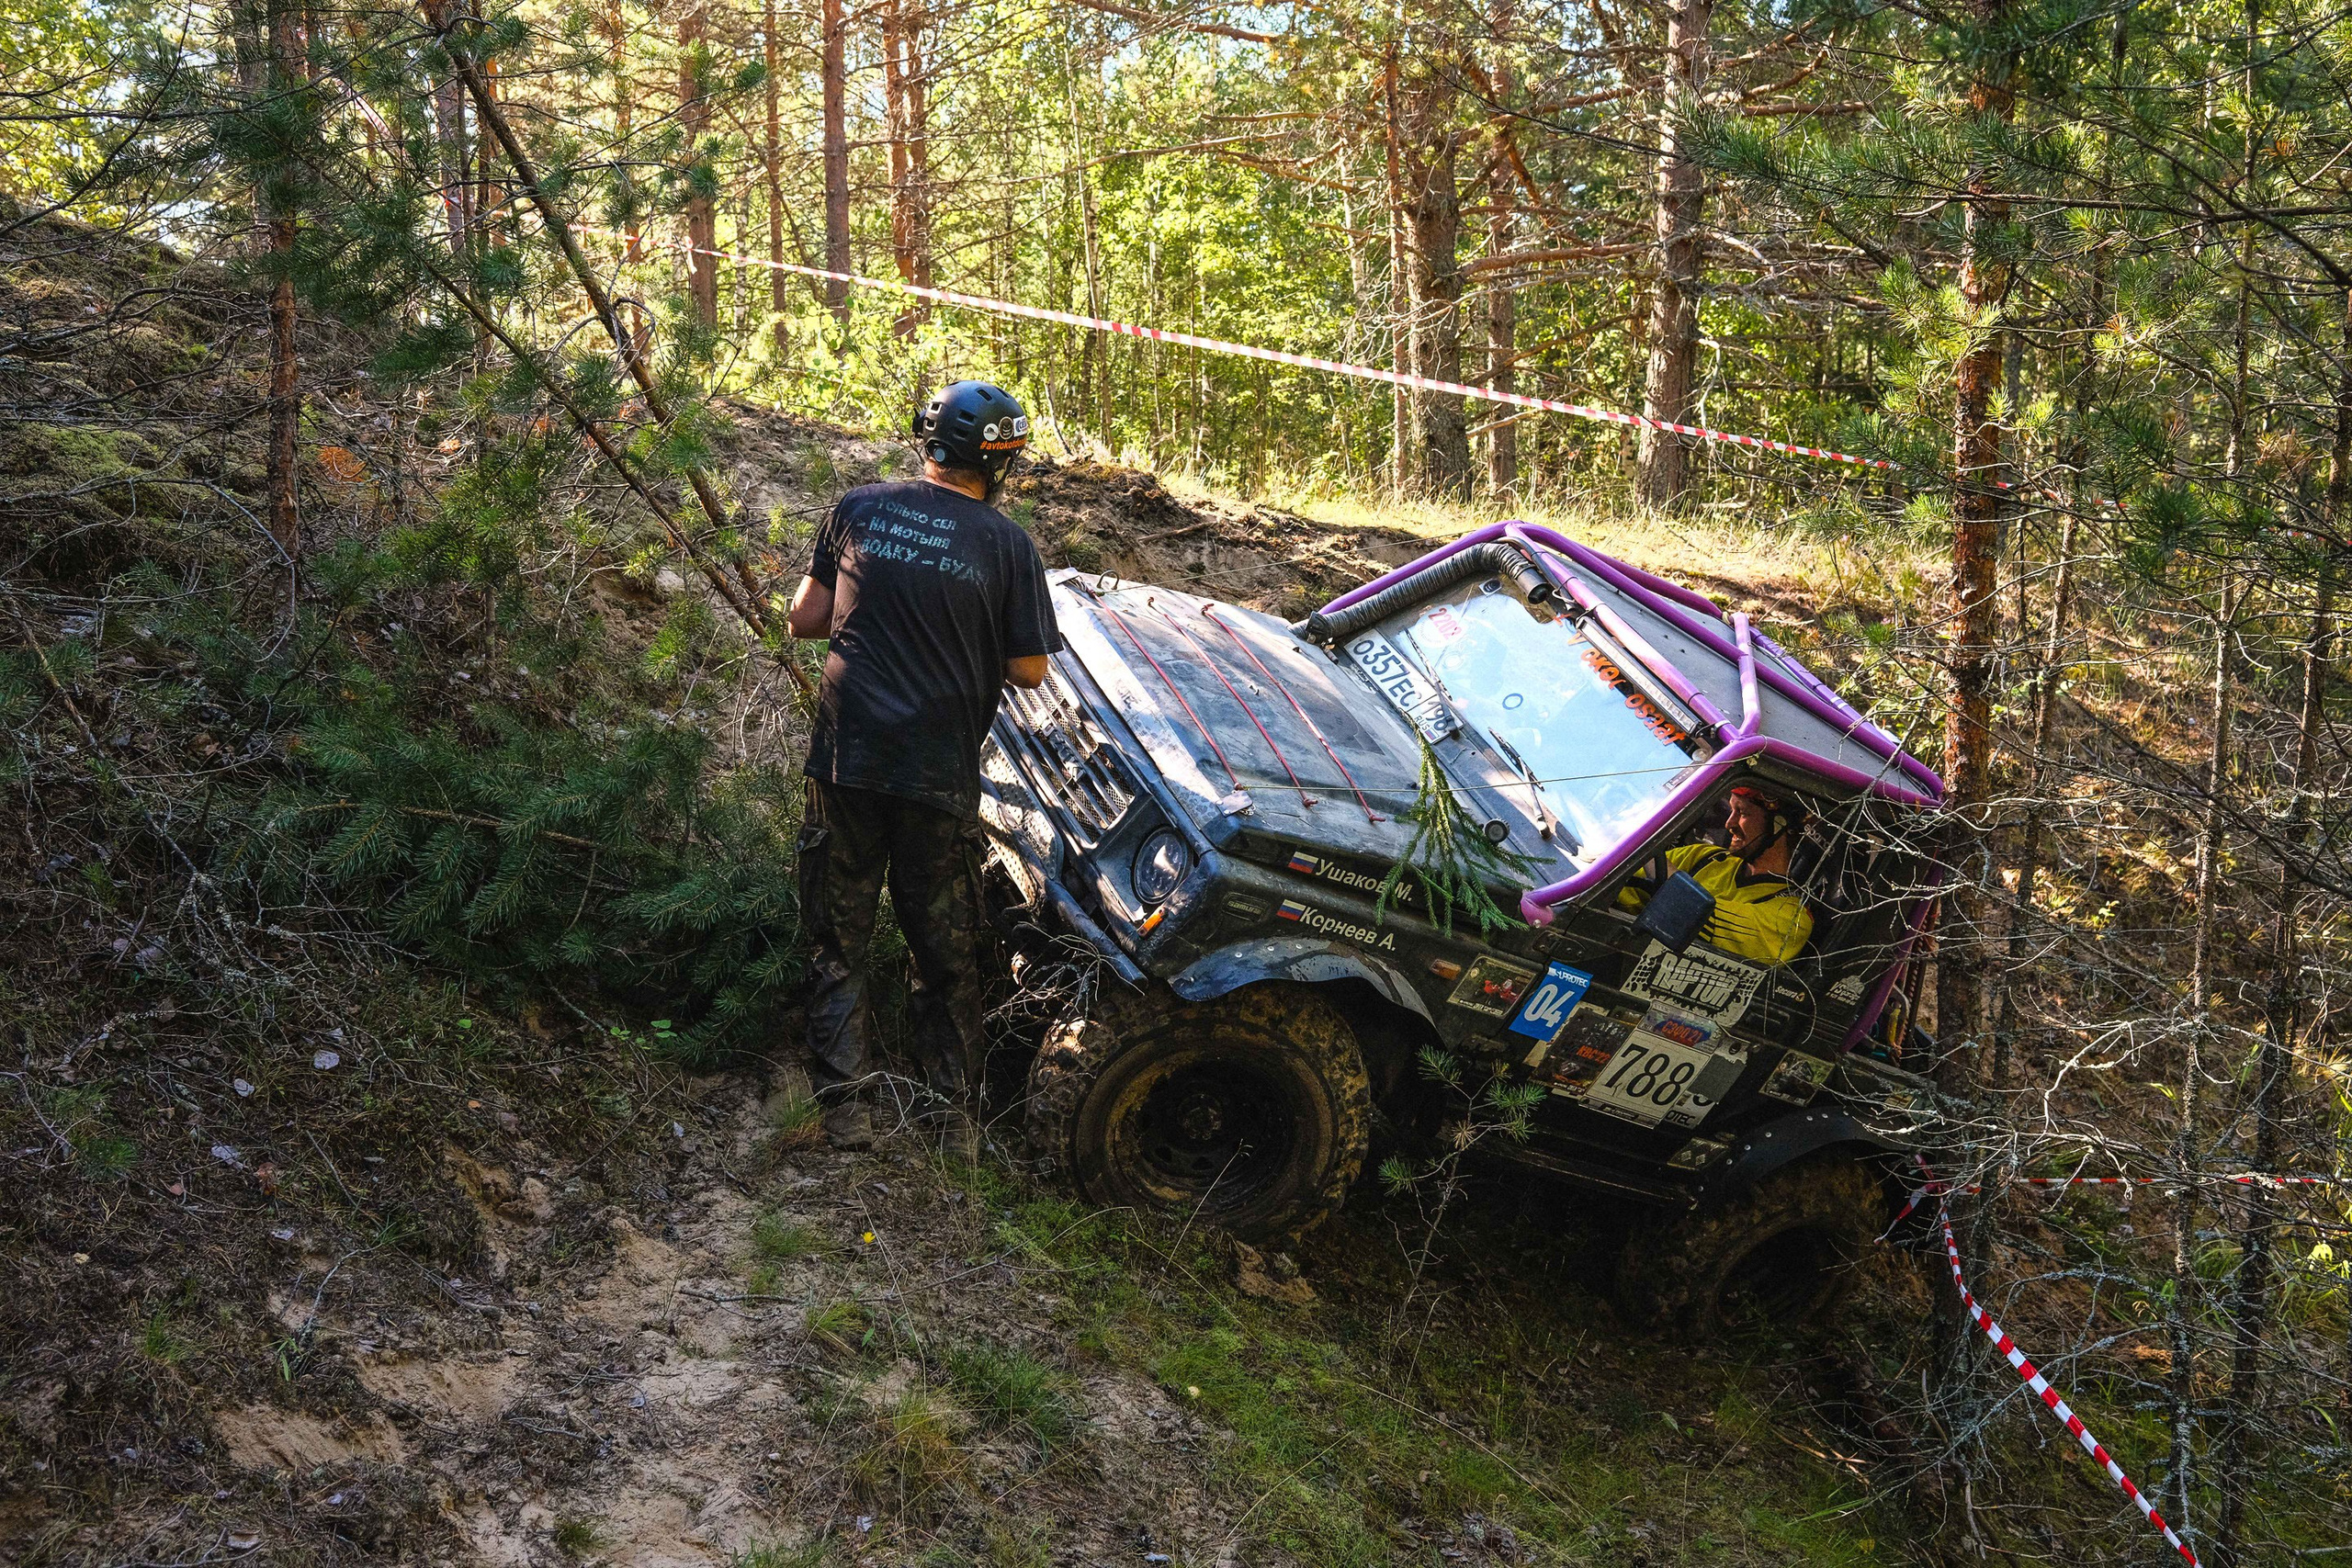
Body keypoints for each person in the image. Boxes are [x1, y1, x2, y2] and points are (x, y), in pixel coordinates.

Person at [786, 380, 1062, 1154]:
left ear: (927, 442)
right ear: (1000, 461)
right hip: (937, 772)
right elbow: (1032, 669)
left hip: (844, 756)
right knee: (941, 947)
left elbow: (803, 617)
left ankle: (844, 1110)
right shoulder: (1008, 546)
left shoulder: (859, 507)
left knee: (835, 936)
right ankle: (950, 1124)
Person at [1618, 784, 1815, 964]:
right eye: (1732, 810)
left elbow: (1699, 919)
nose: (1729, 824)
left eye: (1742, 813)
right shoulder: (1705, 856)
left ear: (1778, 825)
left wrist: (1643, 844)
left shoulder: (1792, 919)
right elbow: (1620, 881)